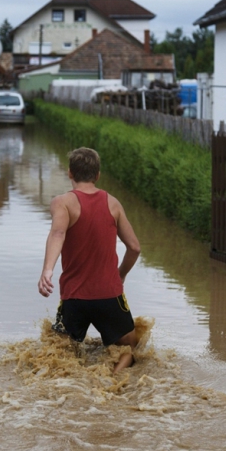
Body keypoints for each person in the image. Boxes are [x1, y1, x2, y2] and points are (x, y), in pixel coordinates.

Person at [38, 147, 141, 373]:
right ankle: (113, 381)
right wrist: (120, 274)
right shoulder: (113, 204)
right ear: (97, 175)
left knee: (58, 354)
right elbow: (134, 247)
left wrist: (48, 270)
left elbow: (58, 233)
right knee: (130, 349)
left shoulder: (62, 203)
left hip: (74, 297)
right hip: (109, 295)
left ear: (70, 174)